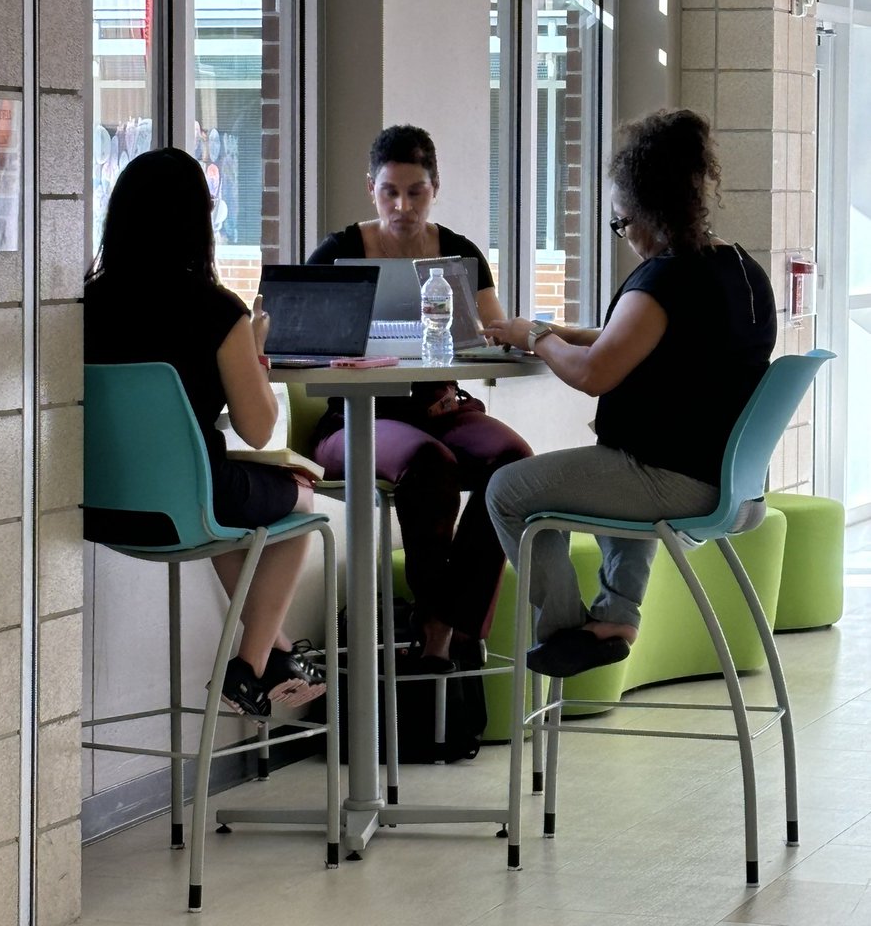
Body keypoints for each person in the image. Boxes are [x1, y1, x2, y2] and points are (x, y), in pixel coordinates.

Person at [484, 109, 777, 678]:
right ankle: (615, 616)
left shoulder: (664, 279)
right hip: (732, 483)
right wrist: (558, 332)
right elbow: (648, 343)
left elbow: (595, 373)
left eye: (620, 224)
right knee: (615, 465)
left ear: (648, 211)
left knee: (508, 492)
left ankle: (569, 632)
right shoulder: (737, 268)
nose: (622, 236)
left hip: (673, 481)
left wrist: (538, 335)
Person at [84, 147, 326, 719]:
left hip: (99, 506)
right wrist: (256, 350)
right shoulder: (219, 312)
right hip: (190, 504)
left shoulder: (84, 303)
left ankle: (278, 653)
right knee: (300, 505)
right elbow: (260, 428)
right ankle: (247, 668)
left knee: (228, 516)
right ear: (199, 221)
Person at [308, 124, 532, 672]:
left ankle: (450, 623)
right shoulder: (339, 253)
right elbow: (299, 339)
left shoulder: (458, 253)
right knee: (430, 464)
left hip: (442, 408)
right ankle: (439, 629)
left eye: (416, 192)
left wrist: (508, 333)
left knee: (514, 465)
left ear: (436, 189)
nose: (402, 206)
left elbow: (492, 331)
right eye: (390, 192)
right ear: (371, 189)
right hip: (357, 419)